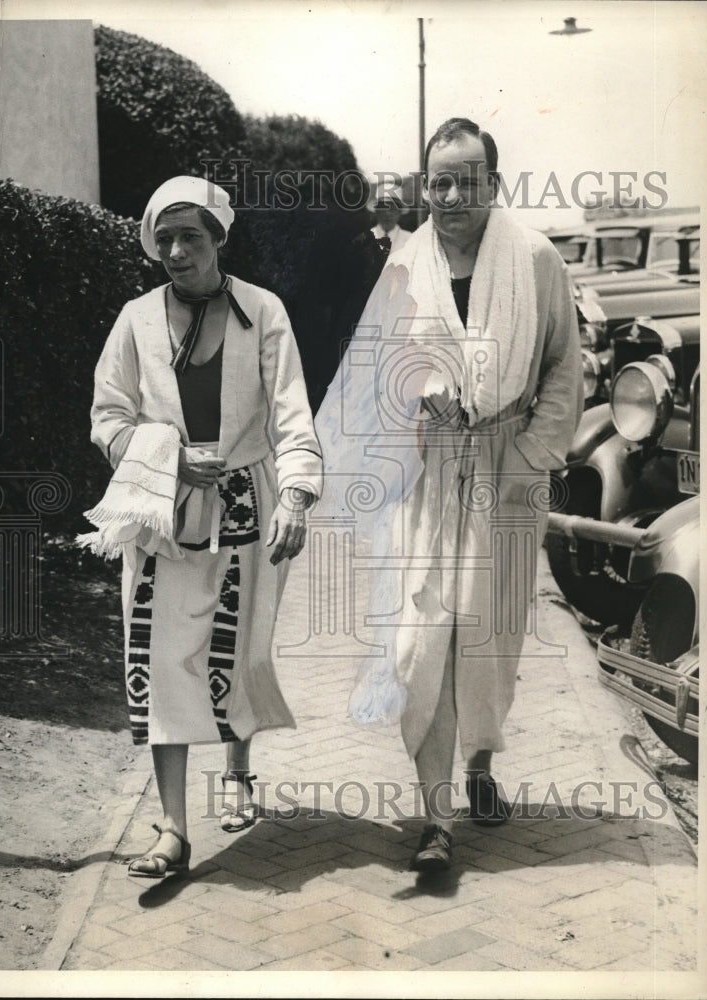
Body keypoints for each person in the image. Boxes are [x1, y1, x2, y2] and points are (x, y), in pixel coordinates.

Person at [315, 118, 582, 872]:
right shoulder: (404, 263)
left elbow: (564, 367)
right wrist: (418, 400)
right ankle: (435, 817)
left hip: (508, 464)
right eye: (439, 180)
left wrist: (530, 453)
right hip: (427, 471)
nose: (452, 194)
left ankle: (481, 763)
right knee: (421, 633)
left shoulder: (533, 259)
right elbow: (375, 369)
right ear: (422, 185)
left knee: (487, 635)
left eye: (467, 179)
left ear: (493, 184)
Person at [85, 176, 322, 878]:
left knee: (240, 652)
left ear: (219, 237)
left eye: (190, 236)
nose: (177, 251)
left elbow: (290, 412)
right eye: (164, 239)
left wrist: (298, 496)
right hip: (164, 513)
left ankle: (240, 774)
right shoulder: (135, 319)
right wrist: (164, 456)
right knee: (161, 660)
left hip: (248, 506)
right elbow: (107, 417)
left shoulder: (262, 310)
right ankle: (172, 830)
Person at [370, 187, 411, 254]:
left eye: (392, 209)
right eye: (383, 208)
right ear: (376, 211)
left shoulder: (410, 239)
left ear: (399, 212)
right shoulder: (366, 239)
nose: (387, 213)